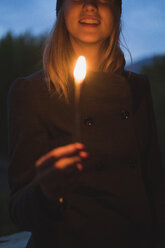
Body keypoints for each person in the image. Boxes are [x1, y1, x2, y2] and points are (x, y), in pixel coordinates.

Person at [7, 0, 165, 247]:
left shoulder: (137, 88)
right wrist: (46, 191)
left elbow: (154, 184)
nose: (91, 5)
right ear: (61, 9)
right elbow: (18, 210)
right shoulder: (30, 92)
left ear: (117, 12)